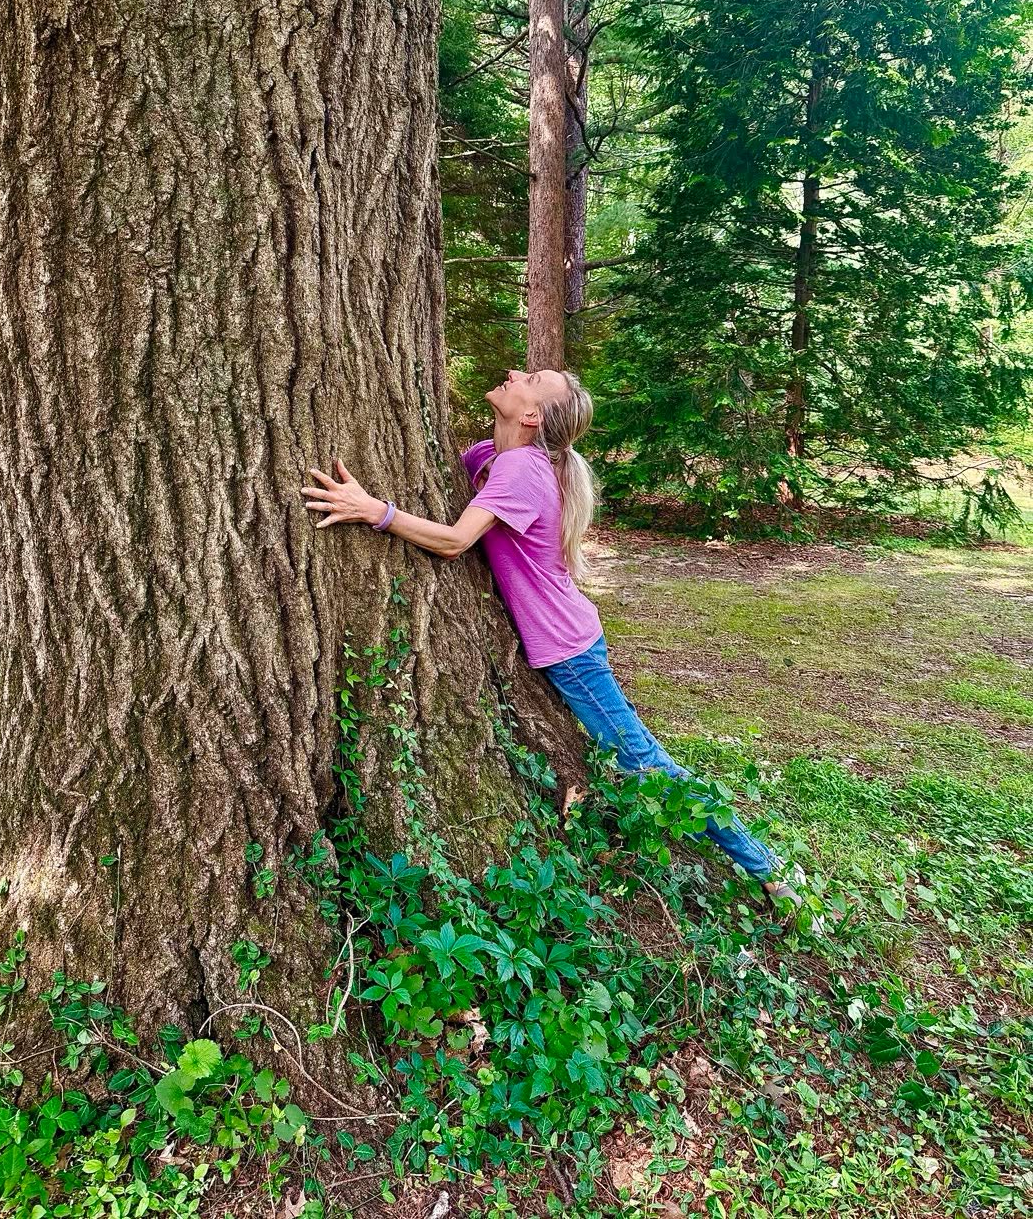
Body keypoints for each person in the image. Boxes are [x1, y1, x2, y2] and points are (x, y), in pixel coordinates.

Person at [301, 368, 815, 924]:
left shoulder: (523, 466)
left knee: (648, 764)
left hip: (569, 650)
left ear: (532, 416)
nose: (515, 372)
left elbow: (454, 541)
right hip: (570, 633)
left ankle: (770, 873)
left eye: (531, 378)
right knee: (642, 760)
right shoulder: (496, 456)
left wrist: (374, 510)